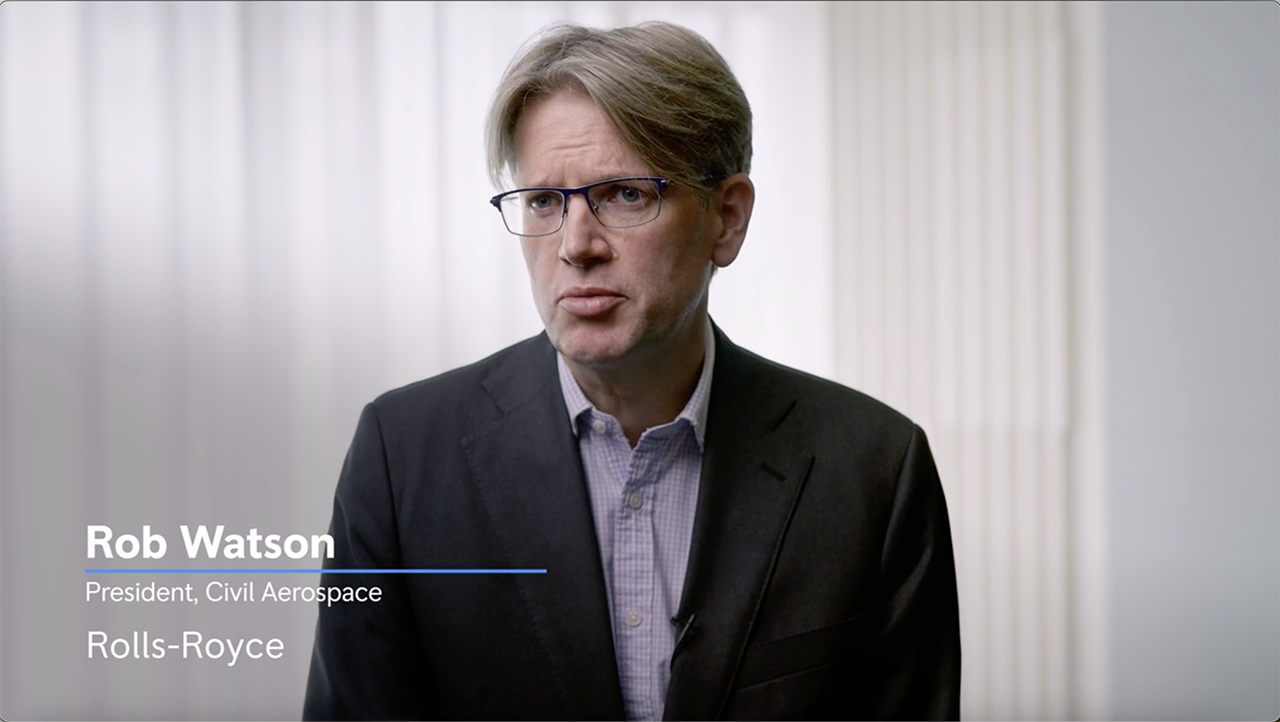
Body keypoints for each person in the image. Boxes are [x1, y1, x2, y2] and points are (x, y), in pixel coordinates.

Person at [303, 20, 959, 721]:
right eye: (544, 201)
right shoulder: (402, 458)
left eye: (624, 194)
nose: (575, 245)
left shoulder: (873, 469)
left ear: (726, 218)